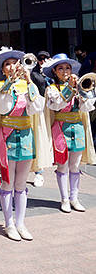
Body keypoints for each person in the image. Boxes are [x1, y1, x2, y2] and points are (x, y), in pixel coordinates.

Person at [0, 47, 51, 242]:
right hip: (7, 138)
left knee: (21, 184)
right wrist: (8, 85)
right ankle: (9, 223)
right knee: (8, 182)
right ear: (2, 69)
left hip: (26, 137)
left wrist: (29, 81)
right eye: (7, 64)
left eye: (14, 63)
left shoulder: (28, 86)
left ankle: (21, 223)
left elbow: (37, 107)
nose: (12, 67)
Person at [43, 53, 96, 212]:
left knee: (75, 166)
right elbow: (56, 105)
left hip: (77, 128)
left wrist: (82, 93)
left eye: (67, 68)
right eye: (61, 68)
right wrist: (70, 89)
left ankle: (74, 198)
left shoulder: (78, 86)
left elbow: (87, 108)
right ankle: (64, 199)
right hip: (60, 129)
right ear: (54, 71)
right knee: (63, 166)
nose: (65, 71)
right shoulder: (51, 89)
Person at [30, 51, 51, 187]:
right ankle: (39, 172)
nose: (42, 61)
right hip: (37, 110)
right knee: (37, 139)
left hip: (52, 109)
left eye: (45, 59)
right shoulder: (33, 73)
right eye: (40, 59)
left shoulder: (54, 72)